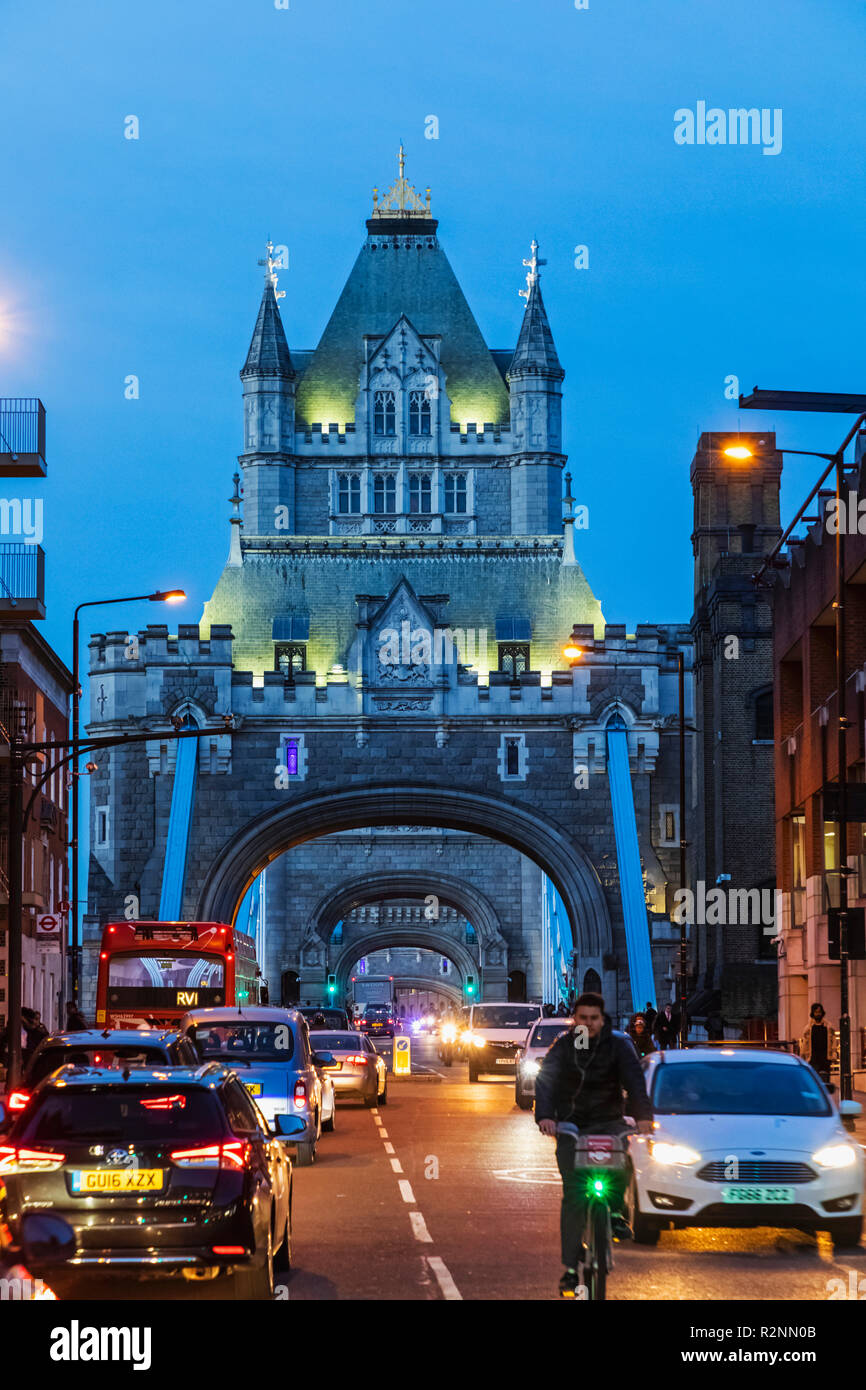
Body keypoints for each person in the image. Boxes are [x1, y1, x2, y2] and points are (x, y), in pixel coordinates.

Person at [534, 991, 653, 1299]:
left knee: (621, 1161)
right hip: (572, 1123)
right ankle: (571, 1269)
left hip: (608, 1119)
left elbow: (635, 1082)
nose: (588, 1023)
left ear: (603, 1019)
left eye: (594, 1018)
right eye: (582, 1018)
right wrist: (546, 1116)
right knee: (574, 1196)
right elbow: (546, 1080)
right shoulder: (563, 1046)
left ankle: (615, 1213)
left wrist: (641, 1117)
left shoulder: (618, 1047)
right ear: (575, 1020)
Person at [799, 1003, 838, 1084]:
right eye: (816, 1012)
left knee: (825, 1082)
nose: (818, 1014)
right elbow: (804, 1044)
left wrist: (834, 1054)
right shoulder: (808, 1028)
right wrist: (802, 1056)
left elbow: (834, 1041)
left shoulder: (828, 1027)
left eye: (819, 1012)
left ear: (822, 1012)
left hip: (825, 1058)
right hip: (813, 1058)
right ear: (813, 1013)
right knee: (814, 1081)